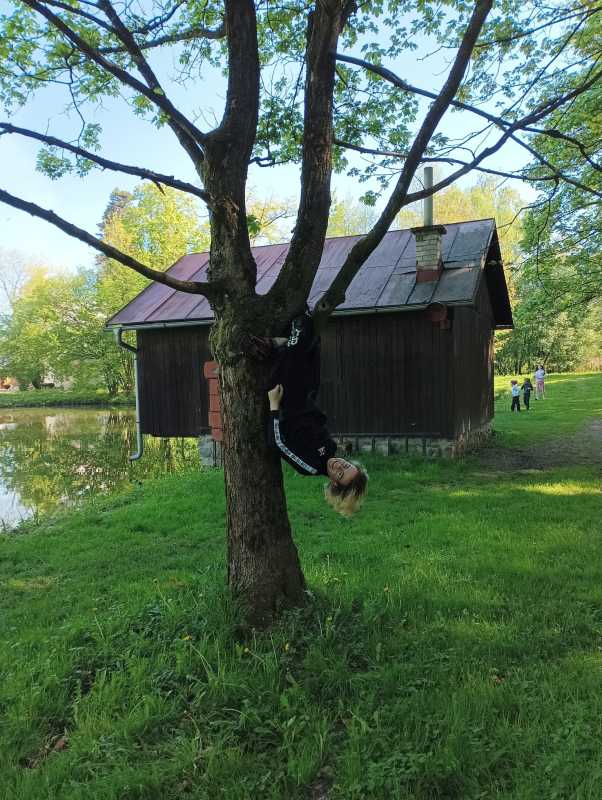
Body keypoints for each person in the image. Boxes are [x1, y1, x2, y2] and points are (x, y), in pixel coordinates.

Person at [248, 312, 368, 516]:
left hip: (284, 399)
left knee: (302, 331)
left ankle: (277, 345)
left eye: (340, 474)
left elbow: (277, 444)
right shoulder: (330, 448)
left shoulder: (310, 466)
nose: (339, 466)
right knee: (314, 346)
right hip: (305, 396)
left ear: (334, 482)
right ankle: (281, 344)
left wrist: (274, 406)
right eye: (346, 466)